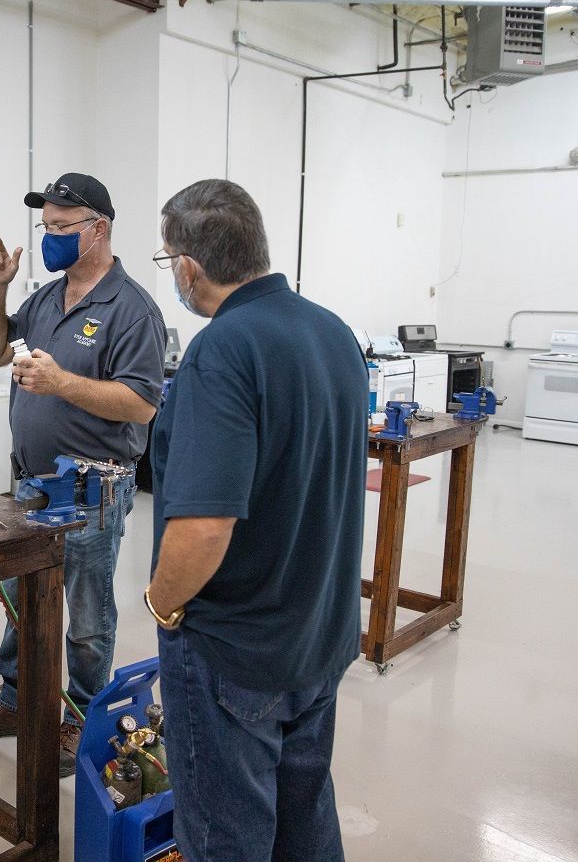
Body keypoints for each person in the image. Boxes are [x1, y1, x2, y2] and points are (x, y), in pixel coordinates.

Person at [145, 179, 367, 861]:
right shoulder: (332, 332)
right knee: (304, 818)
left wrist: (162, 600)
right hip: (316, 632)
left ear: (187, 267)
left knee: (224, 836)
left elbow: (205, 525)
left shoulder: (223, 349)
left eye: (166, 260)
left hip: (235, 650)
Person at [0, 172, 166, 777]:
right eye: (44, 227)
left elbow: (141, 404)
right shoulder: (48, 300)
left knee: (88, 616)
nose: (48, 238)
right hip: (31, 482)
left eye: (60, 228)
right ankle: (20, 702)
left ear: (98, 229)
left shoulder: (132, 310)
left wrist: (61, 384)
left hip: (94, 487)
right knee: (24, 600)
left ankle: (82, 718)